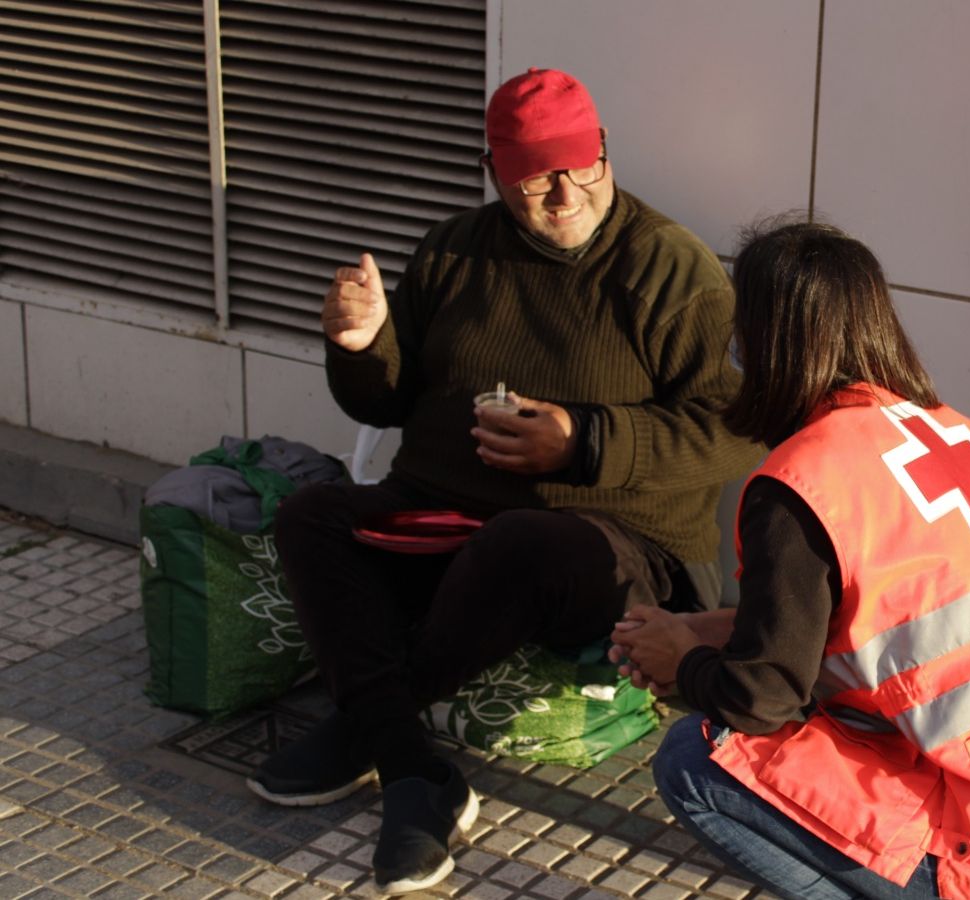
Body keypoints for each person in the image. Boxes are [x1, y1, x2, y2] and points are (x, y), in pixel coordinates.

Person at [246, 67, 760, 895]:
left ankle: (363, 727)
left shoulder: (672, 271)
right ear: (496, 174)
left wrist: (583, 442)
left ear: (604, 153)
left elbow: (735, 430)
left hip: (611, 544)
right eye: (533, 178)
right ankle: (414, 768)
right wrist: (359, 344)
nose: (562, 195)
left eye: (577, 169)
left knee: (523, 540)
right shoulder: (455, 249)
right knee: (312, 515)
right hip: (439, 510)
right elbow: (385, 398)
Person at [609, 221, 970, 900]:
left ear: (768, 345)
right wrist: (704, 629)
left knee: (697, 756)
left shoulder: (802, 483)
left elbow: (761, 701)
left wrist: (682, 665)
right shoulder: (955, 431)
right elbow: (882, 624)